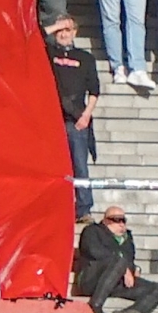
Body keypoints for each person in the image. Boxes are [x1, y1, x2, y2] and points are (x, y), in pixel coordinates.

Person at [75, 206, 158, 313]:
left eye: (124, 220)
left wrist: (134, 269)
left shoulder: (127, 239)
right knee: (119, 260)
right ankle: (95, 306)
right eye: (117, 220)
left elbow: (130, 260)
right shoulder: (92, 231)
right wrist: (122, 266)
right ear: (106, 221)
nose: (121, 224)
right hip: (92, 279)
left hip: (117, 283)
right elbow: (94, 252)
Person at [45, 13, 101, 197]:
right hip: (52, 119)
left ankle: (84, 208)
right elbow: (35, 34)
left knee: (80, 166)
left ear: (75, 33)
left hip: (76, 120)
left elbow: (94, 91)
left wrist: (86, 116)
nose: (63, 34)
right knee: (53, 166)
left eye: (67, 30)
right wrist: (56, 26)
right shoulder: (48, 53)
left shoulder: (85, 58)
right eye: (60, 30)